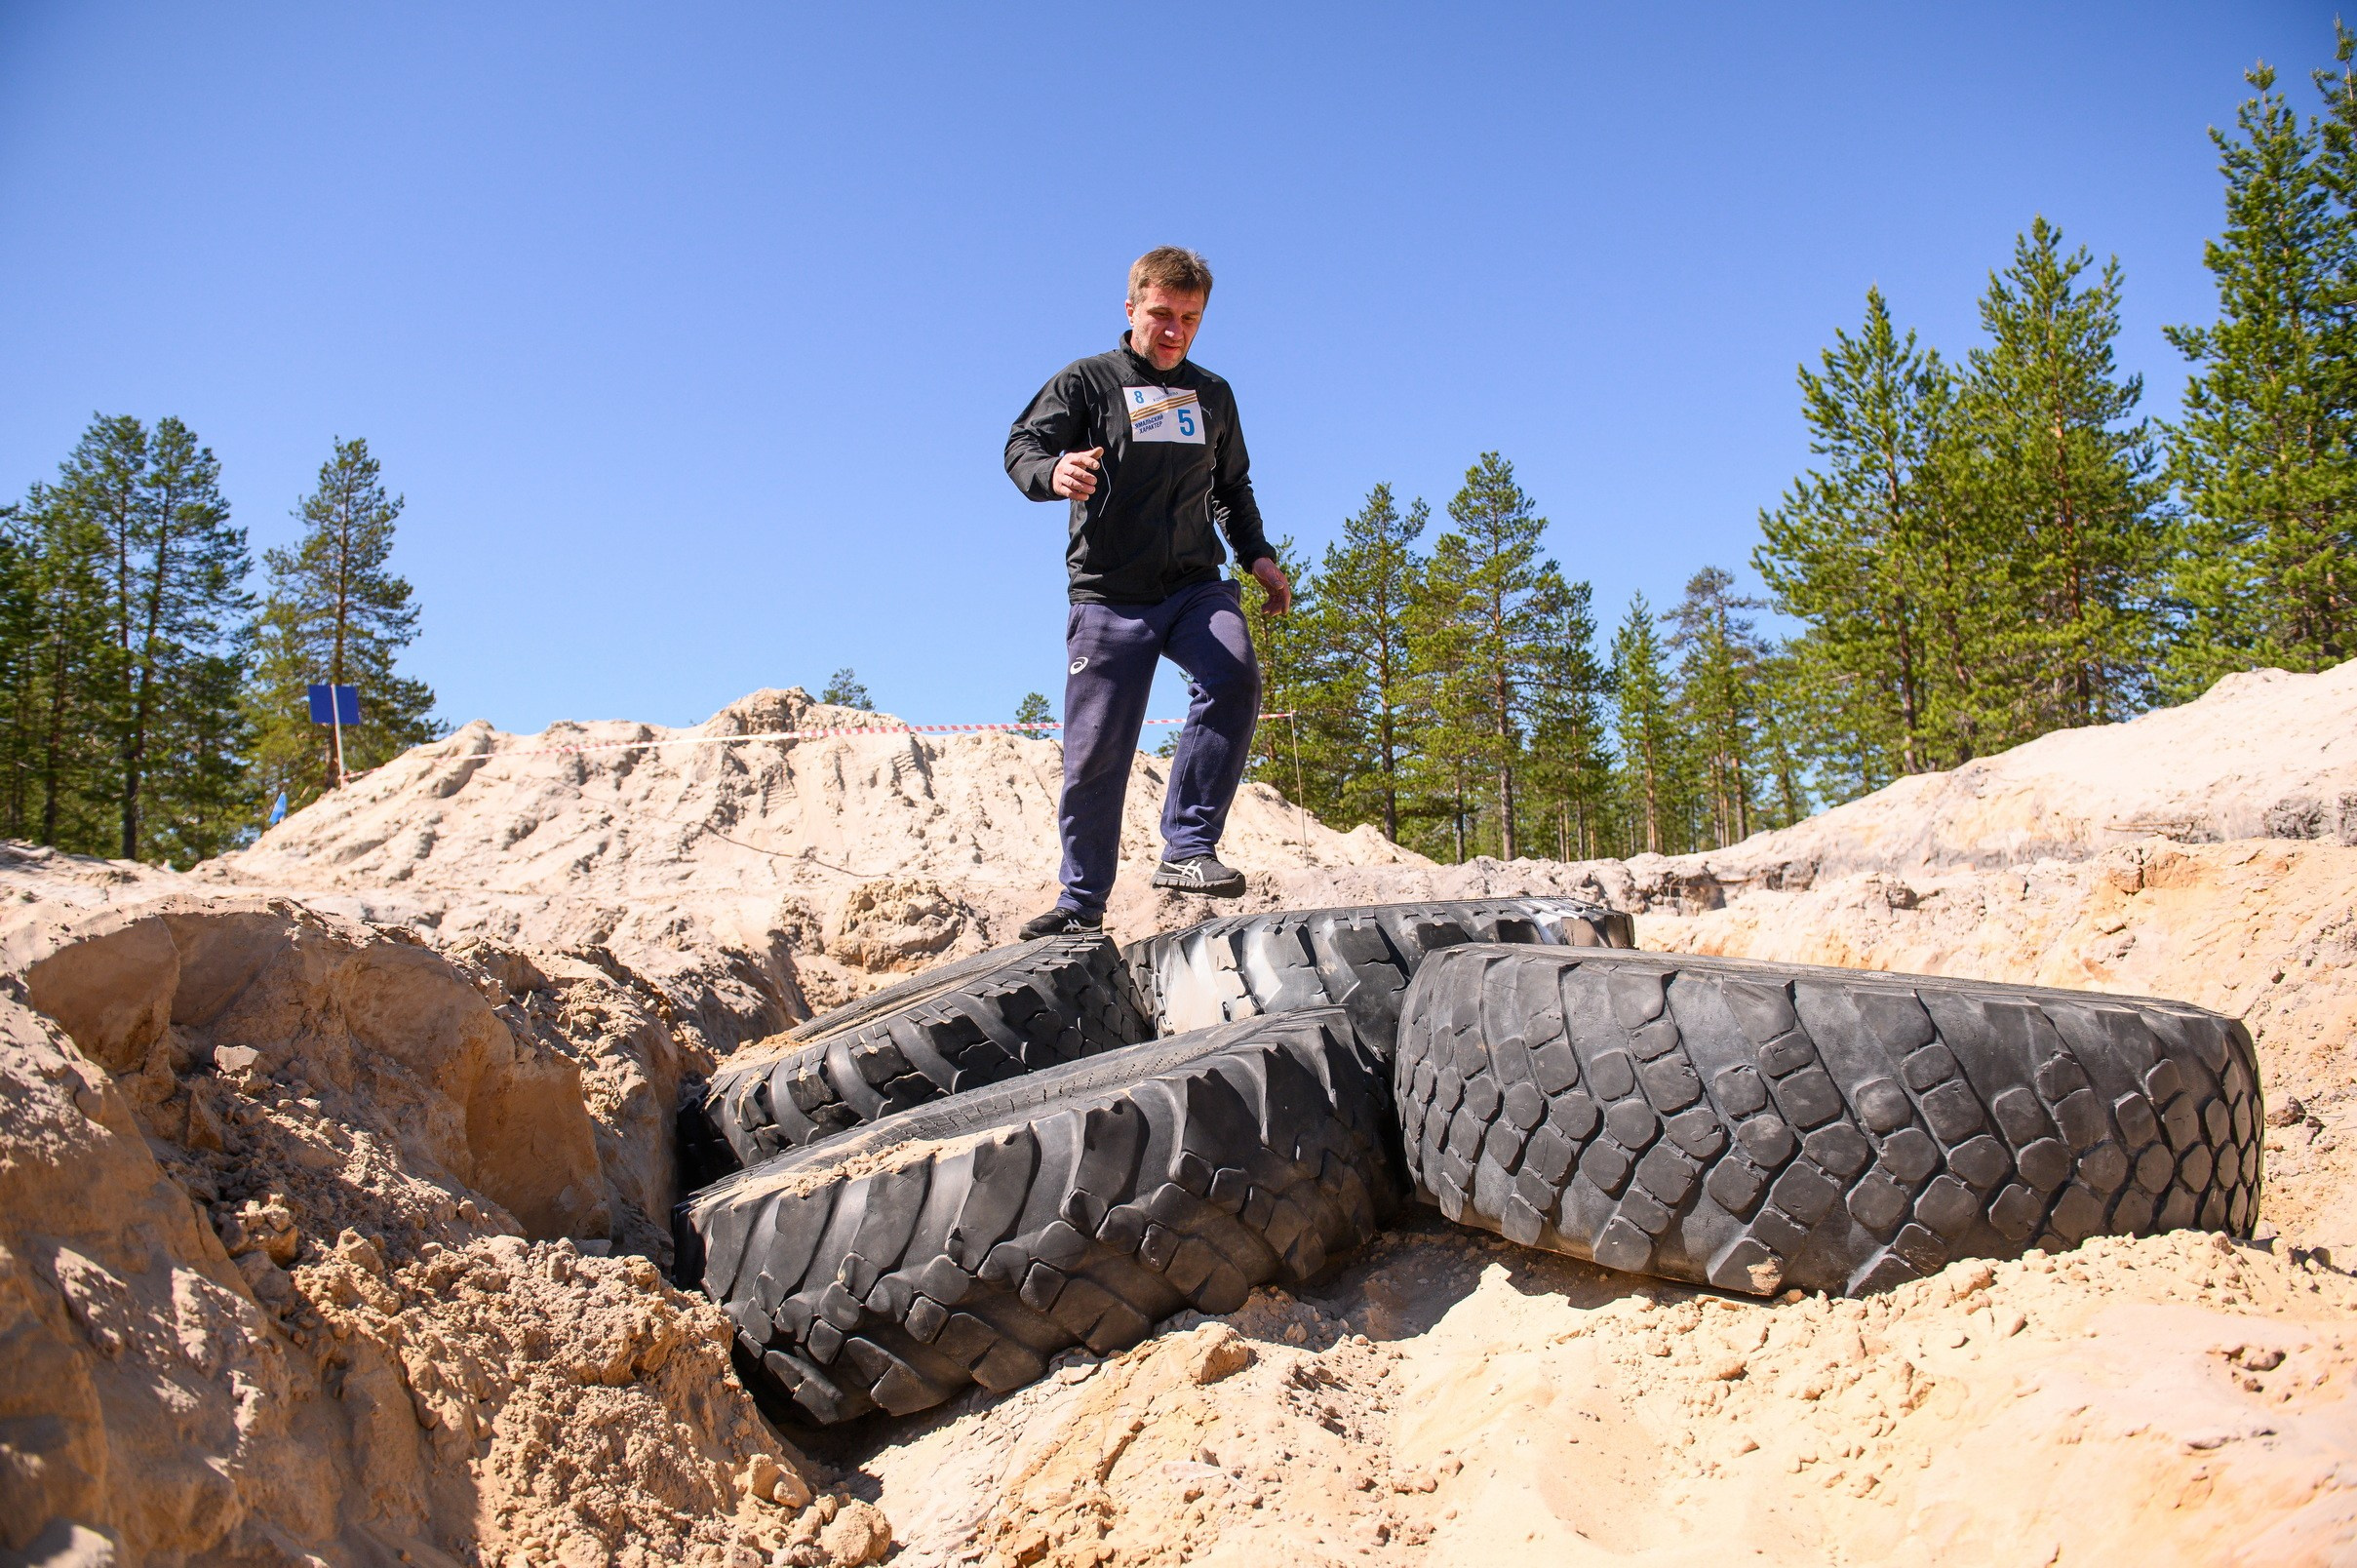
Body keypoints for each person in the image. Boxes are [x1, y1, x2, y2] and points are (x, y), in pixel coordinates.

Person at [1003, 246, 1291, 939]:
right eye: (1161, 314)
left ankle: (1189, 847)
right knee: (1096, 752)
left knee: (1234, 674)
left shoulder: (1211, 395)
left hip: (1193, 585)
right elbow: (1021, 446)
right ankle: (1080, 905)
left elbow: (1232, 487)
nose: (1174, 331)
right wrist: (1053, 472)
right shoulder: (1087, 381)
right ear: (1131, 308)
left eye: (1189, 319)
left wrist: (1257, 556)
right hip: (1107, 595)